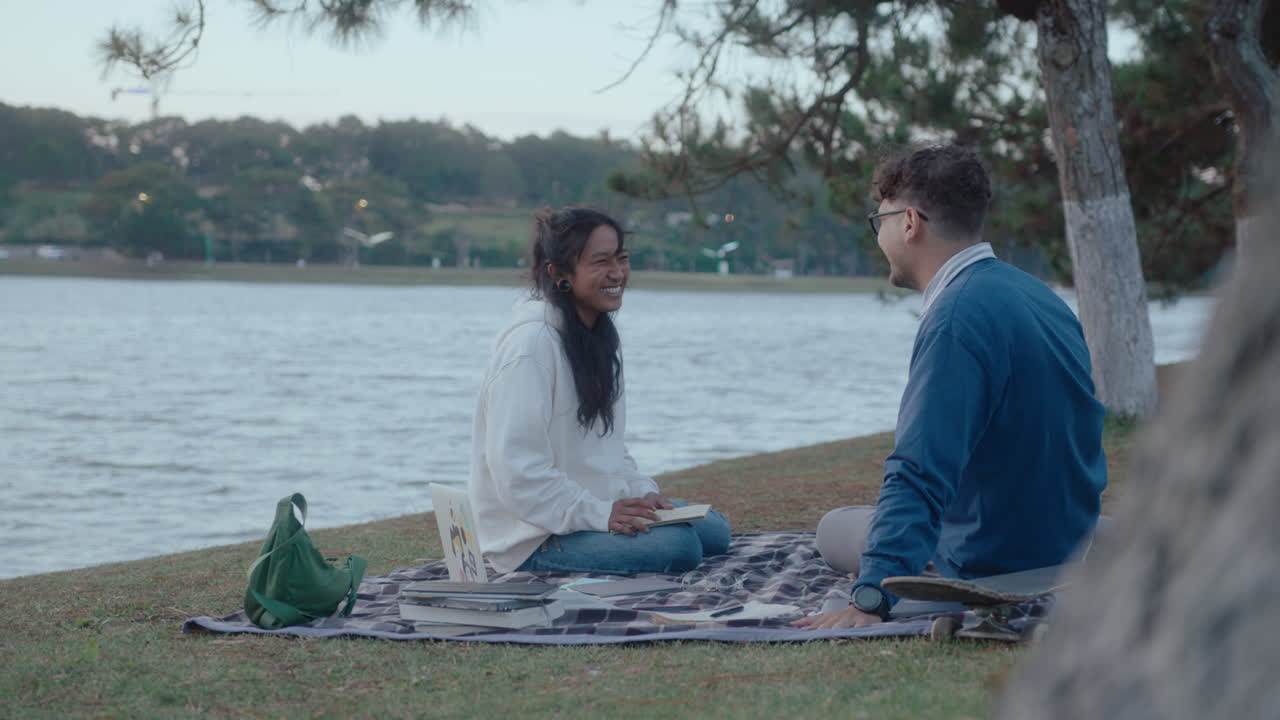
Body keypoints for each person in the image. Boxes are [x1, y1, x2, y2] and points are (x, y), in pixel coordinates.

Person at [794, 145, 1107, 629]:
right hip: (1065, 539)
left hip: (994, 554)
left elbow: (919, 468)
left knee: (834, 528)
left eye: (879, 222)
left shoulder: (957, 315)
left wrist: (873, 595)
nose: (879, 237)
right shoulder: (1038, 296)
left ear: (910, 222)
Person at [468, 207, 731, 576]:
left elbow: (608, 447)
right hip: (533, 534)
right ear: (558, 274)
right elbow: (517, 473)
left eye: (622, 259)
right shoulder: (530, 346)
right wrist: (601, 514)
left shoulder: (596, 337)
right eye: (601, 261)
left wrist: (639, 491)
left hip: (591, 508)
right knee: (681, 546)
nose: (617, 274)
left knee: (715, 530)